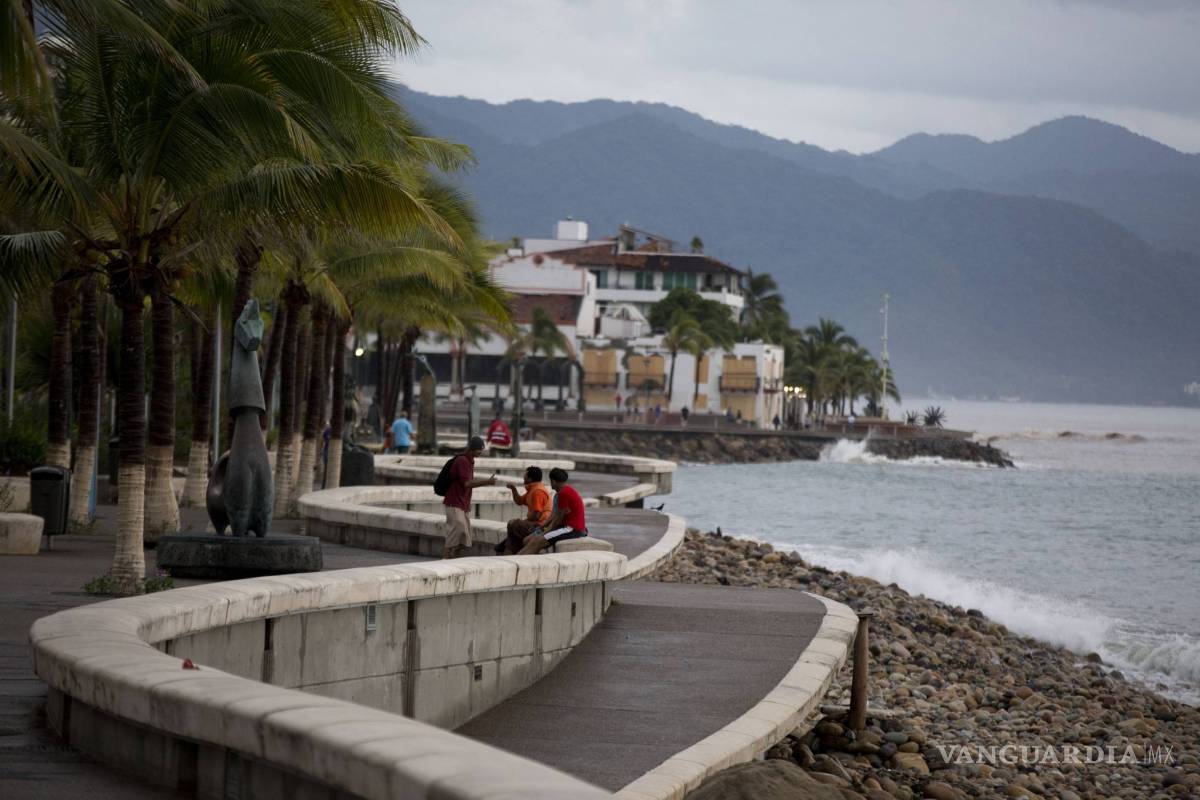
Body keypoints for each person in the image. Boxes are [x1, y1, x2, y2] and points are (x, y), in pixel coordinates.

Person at [442, 436, 497, 558]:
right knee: (456, 531)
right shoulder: (462, 461)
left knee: (465, 538)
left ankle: (452, 559)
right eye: (479, 450)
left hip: (462, 503)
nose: (480, 453)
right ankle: (445, 560)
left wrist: (467, 503)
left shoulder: (470, 460)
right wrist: (487, 482)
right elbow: (467, 483)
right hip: (454, 501)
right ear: (472, 449)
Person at [517, 468, 588, 555]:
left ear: (553, 481)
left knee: (537, 541)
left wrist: (544, 533)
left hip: (572, 529)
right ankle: (521, 559)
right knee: (528, 540)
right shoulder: (564, 491)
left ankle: (519, 561)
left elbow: (558, 519)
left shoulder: (564, 493)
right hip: (565, 527)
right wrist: (542, 527)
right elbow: (555, 515)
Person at [497, 466, 552, 554]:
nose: (523, 477)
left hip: (540, 525)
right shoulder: (533, 489)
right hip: (535, 522)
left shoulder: (537, 492)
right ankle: (508, 549)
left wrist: (524, 520)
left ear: (530, 479)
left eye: (525, 475)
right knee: (515, 529)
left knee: (513, 524)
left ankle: (508, 549)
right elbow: (519, 501)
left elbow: (536, 515)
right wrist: (513, 489)